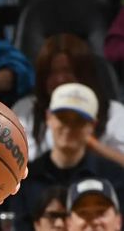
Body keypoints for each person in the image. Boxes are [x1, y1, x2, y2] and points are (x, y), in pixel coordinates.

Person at [9, 83, 124, 231]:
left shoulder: (115, 176)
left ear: (92, 125)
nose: (69, 127)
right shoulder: (26, 177)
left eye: (78, 120)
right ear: (48, 117)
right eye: (63, 118)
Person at [12, 33, 124, 164]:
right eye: (52, 72)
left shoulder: (115, 113)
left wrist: (88, 142)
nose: (60, 79)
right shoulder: (25, 110)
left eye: (67, 71)